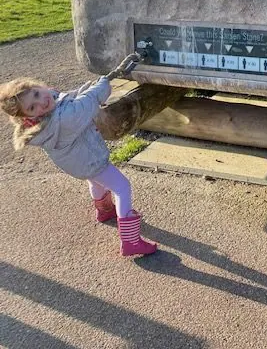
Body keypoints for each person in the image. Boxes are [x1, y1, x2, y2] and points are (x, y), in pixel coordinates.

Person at [0, 53, 156, 257]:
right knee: (122, 187)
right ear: (27, 117)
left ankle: (104, 210)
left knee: (96, 181)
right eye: (32, 107)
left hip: (79, 162)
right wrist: (101, 86)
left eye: (37, 94)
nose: (41, 103)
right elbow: (87, 103)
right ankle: (130, 241)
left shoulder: (49, 112)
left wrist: (90, 85)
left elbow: (69, 97)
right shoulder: (62, 120)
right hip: (89, 160)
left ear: (39, 86)